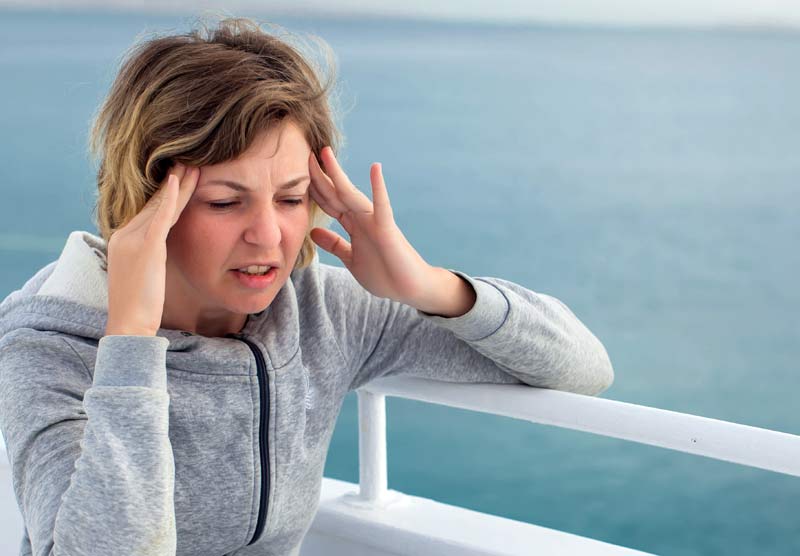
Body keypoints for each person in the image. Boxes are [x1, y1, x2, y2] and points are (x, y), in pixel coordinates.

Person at [0, 15, 614, 556]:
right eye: (224, 202)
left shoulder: (321, 311)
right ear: (144, 203)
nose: (269, 235)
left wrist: (426, 284)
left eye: (292, 198)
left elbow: (584, 369)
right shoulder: (50, 347)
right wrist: (130, 345)